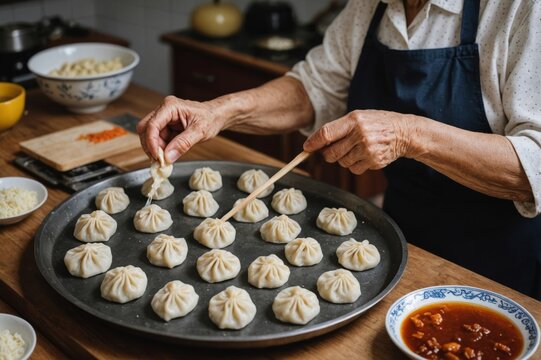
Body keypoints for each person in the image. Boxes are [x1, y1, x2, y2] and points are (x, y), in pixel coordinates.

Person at [137, 0, 541, 299]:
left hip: (499, 264)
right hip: (398, 242)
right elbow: (314, 87)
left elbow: (535, 164)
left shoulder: (519, 10)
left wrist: (409, 134)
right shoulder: (372, 6)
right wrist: (219, 112)